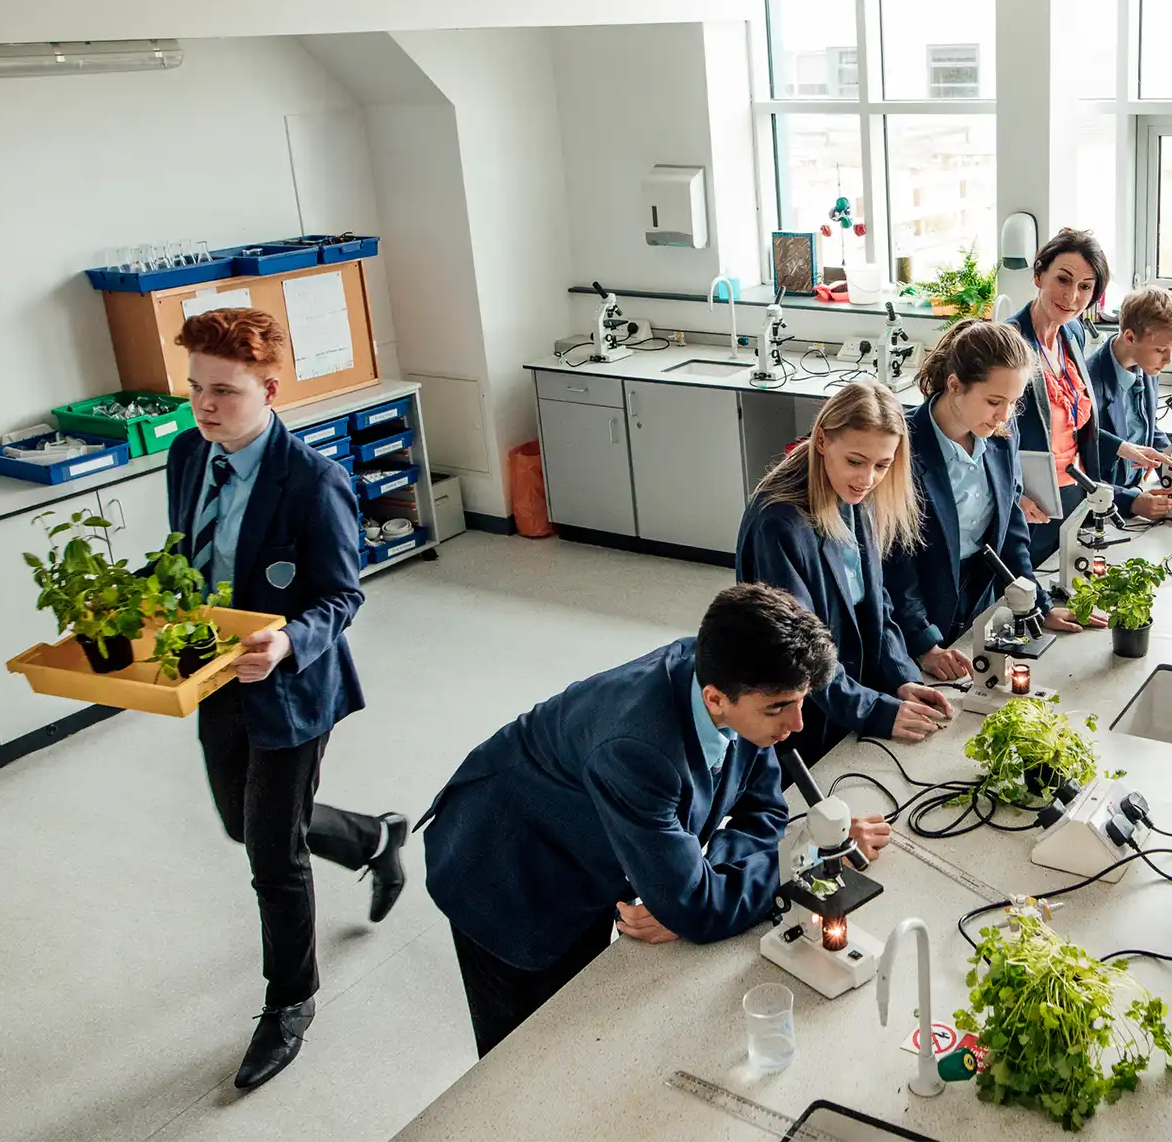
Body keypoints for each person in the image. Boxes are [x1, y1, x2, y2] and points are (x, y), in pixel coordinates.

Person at [422, 584, 882, 1057]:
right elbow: (698, 909)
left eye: (800, 701)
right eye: (779, 708)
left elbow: (762, 811)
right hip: (507, 872)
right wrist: (788, 872)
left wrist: (701, 887)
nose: (798, 724)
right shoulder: (638, 748)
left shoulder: (735, 684)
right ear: (717, 698)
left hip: (590, 848)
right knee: (523, 1056)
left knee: (582, 1022)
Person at [166, 309, 408, 1090]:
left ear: (269, 389)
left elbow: (342, 594)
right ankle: (376, 836)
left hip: (293, 687)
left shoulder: (314, 480)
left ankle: (290, 1002)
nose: (205, 406)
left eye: (225, 392)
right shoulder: (185, 457)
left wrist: (289, 641)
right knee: (244, 821)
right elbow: (183, 558)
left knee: (273, 854)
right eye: (196, 388)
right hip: (213, 676)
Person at [736, 381, 956, 763]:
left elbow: (875, 602)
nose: (867, 478)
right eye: (856, 461)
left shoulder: (857, 498)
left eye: (882, 465)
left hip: (849, 695)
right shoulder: (779, 524)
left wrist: (901, 679)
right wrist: (875, 710)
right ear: (822, 441)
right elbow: (800, 653)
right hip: (805, 715)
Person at [884, 319, 1089, 680]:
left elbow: (1010, 528)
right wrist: (924, 643)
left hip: (978, 599)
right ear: (955, 385)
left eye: (1013, 402)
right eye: (994, 401)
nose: (1004, 415)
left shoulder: (1000, 438)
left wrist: (1036, 603)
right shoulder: (903, 449)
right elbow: (894, 563)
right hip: (917, 610)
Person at [1007, 228, 1165, 568]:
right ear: (1039, 275)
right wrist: (1012, 495)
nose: (1072, 296)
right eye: (1063, 280)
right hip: (1031, 503)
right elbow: (983, 434)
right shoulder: (1009, 341)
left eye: (1085, 287)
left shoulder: (1073, 332)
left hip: (1077, 492)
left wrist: (1121, 447)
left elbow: (1075, 426)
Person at [1085, 285, 1172, 522]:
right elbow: (1079, 471)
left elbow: (1145, 425)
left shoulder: (1147, 367)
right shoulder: (1087, 385)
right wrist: (1130, 502)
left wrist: (1171, 456)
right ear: (1130, 337)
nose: (1169, 359)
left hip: (1140, 490)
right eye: (1162, 350)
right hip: (1105, 513)